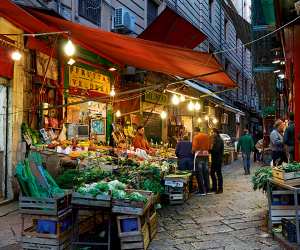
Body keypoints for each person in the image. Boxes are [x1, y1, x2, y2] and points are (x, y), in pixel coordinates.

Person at [192, 127, 211, 195]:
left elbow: (194, 147)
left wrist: (192, 151)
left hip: (199, 156)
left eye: (194, 132)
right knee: (206, 173)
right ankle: (208, 190)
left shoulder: (196, 137)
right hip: (206, 155)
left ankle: (202, 191)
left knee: (199, 173)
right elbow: (209, 146)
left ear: (195, 131)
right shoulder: (206, 136)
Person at [210, 129, 224, 194]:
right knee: (212, 173)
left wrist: (210, 149)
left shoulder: (218, 140)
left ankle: (220, 188)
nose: (212, 133)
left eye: (212, 132)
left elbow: (216, 150)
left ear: (215, 133)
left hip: (217, 159)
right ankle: (214, 187)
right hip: (215, 159)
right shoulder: (216, 139)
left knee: (218, 174)